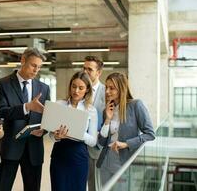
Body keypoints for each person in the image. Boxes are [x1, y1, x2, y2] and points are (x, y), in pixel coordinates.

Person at [0, 48, 50, 191]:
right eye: (33, 65)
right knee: (2, 187)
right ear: (23, 60)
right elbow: (1, 111)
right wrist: (27, 107)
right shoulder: (3, 84)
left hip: (34, 148)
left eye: (39, 67)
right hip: (10, 146)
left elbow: (48, 116)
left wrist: (44, 130)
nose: (36, 70)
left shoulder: (44, 88)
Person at [98, 72, 155, 185]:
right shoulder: (107, 110)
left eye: (111, 88)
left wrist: (126, 144)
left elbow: (150, 134)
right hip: (105, 161)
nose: (107, 91)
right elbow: (102, 141)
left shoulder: (136, 105)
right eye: (106, 87)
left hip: (123, 161)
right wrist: (107, 120)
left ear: (121, 89)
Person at [49, 71, 97, 191]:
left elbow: (93, 141)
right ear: (70, 86)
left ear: (86, 90)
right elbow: (50, 134)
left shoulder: (91, 110)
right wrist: (57, 136)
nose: (76, 91)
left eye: (81, 88)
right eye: (74, 86)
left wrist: (78, 132)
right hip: (59, 155)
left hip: (79, 156)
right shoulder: (59, 105)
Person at [83, 56, 105, 191]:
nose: (85, 72)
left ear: (99, 73)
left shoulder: (106, 92)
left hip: (96, 149)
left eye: (89, 69)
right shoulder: (78, 89)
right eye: (84, 68)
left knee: (94, 187)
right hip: (78, 146)